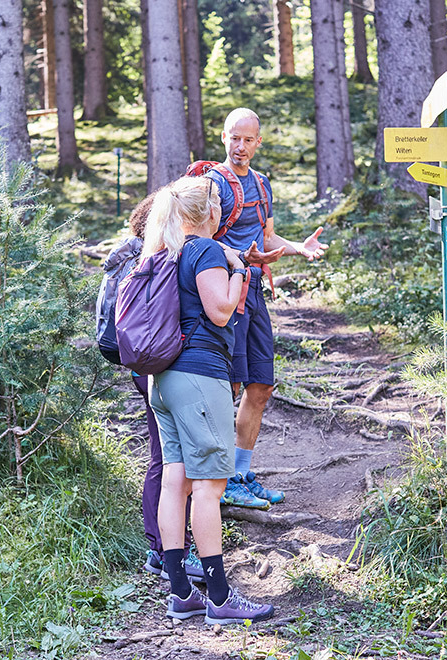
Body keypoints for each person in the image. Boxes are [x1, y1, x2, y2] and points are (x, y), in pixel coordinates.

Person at [146, 176, 274, 624]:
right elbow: (221, 310)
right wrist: (240, 270)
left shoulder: (165, 248)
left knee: (175, 482)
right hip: (199, 376)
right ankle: (219, 598)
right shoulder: (203, 249)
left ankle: (182, 591)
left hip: (162, 379)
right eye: (218, 204)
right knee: (209, 486)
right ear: (210, 214)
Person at [205, 108, 328, 509]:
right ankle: (222, 484)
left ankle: (242, 474)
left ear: (259, 142)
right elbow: (198, 241)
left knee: (260, 386)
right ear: (223, 138)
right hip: (225, 291)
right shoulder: (212, 185)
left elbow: (269, 236)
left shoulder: (262, 182)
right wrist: (243, 256)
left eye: (248, 140)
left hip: (254, 291)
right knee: (231, 387)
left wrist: (298, 248)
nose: (240, 147)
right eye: (234, 138)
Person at [103, 194, 205, 585]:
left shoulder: (129, 254)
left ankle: (161, 548)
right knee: (171, 458)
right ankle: (169, 551)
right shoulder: (162, 257)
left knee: (162, 455)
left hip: (140, 361)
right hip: (164, 362)